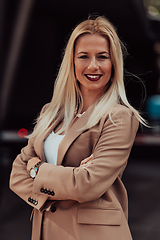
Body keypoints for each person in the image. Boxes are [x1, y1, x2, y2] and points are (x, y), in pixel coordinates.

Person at [10, 16, 146, 240]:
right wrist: (68, 178)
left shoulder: (119, 117)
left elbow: (86, 185)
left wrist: (36, 169)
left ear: (114, 64)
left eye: (102, 57)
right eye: (84, 56)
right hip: (45, 231)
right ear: (71, 62)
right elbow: (16, 174)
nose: (94, 65)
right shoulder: (50, 113)